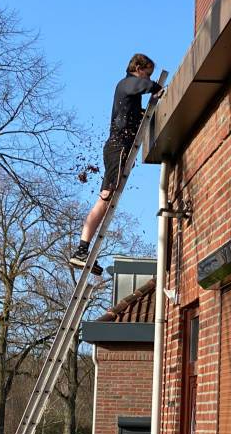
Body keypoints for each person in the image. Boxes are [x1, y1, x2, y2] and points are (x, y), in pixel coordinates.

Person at [69, 54, 163, 274]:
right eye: (147, 72)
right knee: (105, 197)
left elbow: (134, 112)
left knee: (105, 197)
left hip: (115, 147)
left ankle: (83, 250)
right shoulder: (127, 83)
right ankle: (81, 251)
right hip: (118, 147)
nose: (148, 77)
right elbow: (140, 85)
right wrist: (156, 86)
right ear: (137, 68)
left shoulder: (128, 95)